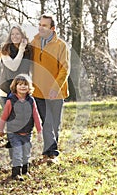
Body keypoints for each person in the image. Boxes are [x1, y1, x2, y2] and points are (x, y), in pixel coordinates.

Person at [31, 14, 70, 163]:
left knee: (54, 124)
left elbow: (65, 69)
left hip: (57, 92)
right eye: (40, 24)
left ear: (52, 28)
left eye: (44, 25)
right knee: (46, 122)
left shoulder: (61, 45)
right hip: (38, 91)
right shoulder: (33, 42)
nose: (41, 27)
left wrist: (55, 87)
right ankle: (51, 153)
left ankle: (49, 152)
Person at [0, 74, 42, 181]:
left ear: (29, 87)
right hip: (14, 133)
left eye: (25, 85)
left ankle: (25, 171)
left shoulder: (31, 100)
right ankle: (16, 173)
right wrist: (1, 129)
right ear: (15, 86)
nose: (23, 87)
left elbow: (36, 115)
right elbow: (4, 116)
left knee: (26, 153)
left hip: (27, 132)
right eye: (20, 84)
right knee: (18, 153)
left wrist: (39, 131)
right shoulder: (11, 101)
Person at [0, 25, 32, 107]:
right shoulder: (4, 50)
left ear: (22, 36)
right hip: (6, 91)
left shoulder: (29, 50)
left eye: (17, 34)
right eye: (12, 34)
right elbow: (14, 67)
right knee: (9, 119)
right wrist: (21, 50)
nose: (14, 36)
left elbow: (31, 70)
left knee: (24, 119)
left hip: (23, 91)